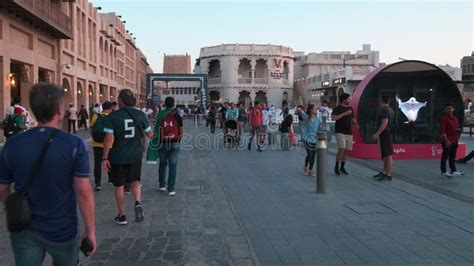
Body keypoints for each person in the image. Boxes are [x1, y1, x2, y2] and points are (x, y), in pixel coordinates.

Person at [0, 83, 96, 265]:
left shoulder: (12, 145)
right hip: (62, 229)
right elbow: (84, 192)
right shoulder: (74, 144)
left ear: (34, 110)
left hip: (25, 229)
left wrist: (16, 205)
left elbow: (2, 189)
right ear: (60, 110)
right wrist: (90, 231)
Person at [102, 89, 153, 225]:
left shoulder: (112, 117)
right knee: (135, 181)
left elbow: (108, 139)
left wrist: (104, 157)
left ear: (120, 101)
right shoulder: (140, 115)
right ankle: (137, 202)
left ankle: (122, 215)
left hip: (117, 156)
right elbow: (150, 134)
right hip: (135, 154)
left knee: (119, 185)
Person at [151, 97, 183, 196]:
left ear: (165, 104)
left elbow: (157, 129)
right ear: (173, 104)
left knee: (162, 164)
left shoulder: (160, 114)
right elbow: (181, 131)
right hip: (174, 142)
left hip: (163, 142)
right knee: (173, 166)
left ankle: (162, 185)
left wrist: (157, 141)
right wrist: (178, 141)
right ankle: (171, 188)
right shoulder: (177, 116)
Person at [331, 93, 358, 176]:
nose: (350, 100)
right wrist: (344, 114)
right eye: (348, 99)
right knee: (342, 149)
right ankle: (336, 166)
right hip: (340, 131)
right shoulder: (337, 108)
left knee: (346, 150)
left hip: (349, 132)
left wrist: (356, 124)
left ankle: (342, 167)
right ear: (344, 100)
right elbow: (333, 118)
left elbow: (353, 119)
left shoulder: (350, 108)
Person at [90, 101, 113, 191]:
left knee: (97, 163)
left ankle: (98, 183)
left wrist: (94, 138)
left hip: (96, 144)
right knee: (110, 161)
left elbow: (91, 128)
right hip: (109, 144)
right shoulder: (111, 117)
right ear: (111, 108)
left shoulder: (96, 116)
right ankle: (111, 179)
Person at [372, 95, 395, 181]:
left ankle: (388, 174)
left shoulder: (384, 110)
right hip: (387, 133)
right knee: (385, 154)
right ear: (389, 101)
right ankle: (385, 172)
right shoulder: (391, 110)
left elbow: (384, 122)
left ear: (381, 101)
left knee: (388, 154)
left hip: (385, 133)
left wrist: (377, 134)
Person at [438, 103, 463, 178]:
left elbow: (457, 128)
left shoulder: (455, 118)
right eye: (447, 108)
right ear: (445, 110)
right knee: (445, 156)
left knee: (452, 156)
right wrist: (447, 141)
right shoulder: (444, 119)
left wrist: (458, 131)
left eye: (450, 108)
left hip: (455, 140)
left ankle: (453, 171)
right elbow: (443, 131)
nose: (449, 110)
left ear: (453, 109)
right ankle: (443, 171)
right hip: (447, 140)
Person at [300, 104, 321, 176]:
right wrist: (300, 110)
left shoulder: (318, 119)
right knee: (310, 154)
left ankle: (310, 170)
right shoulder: (306, 117)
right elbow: (301, 113)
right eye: (315, 109)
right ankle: (306, 166)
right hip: (306, 138)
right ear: (311, 110)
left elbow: (319, 129)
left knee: (313, 155)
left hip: (315, 139)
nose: (316, 110)